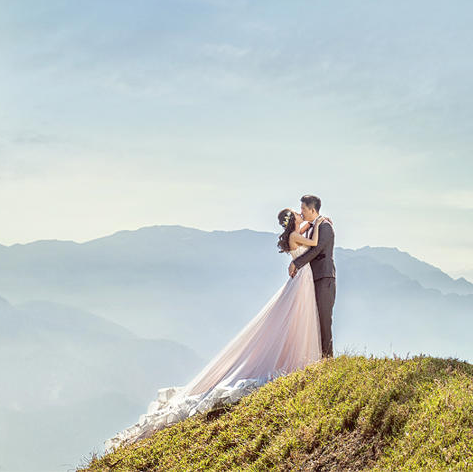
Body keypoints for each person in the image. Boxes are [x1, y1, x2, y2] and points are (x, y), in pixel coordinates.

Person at [103, 208, 322, 453]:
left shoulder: (294, 232)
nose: (302, 215)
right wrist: (320, 221)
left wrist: (311, 223)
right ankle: (299, 359)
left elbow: (304, 230)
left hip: (300, 278)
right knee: (295, 316)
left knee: (295, 317)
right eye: (299, 213)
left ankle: (299, 357)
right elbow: (314, 242)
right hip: (301, 279)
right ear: (294, 220)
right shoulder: (297, 234)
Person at [288, 194, 336, 359]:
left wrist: (296, 263)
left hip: (324, 278)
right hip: (310, 280)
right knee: (313, 320)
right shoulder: (311, 227)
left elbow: (317, 249)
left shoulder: (325, 227)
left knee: (323, 320)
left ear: (312, 209)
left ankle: (328, 359)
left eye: (303, 208)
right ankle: (316, 358)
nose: (301, 211)